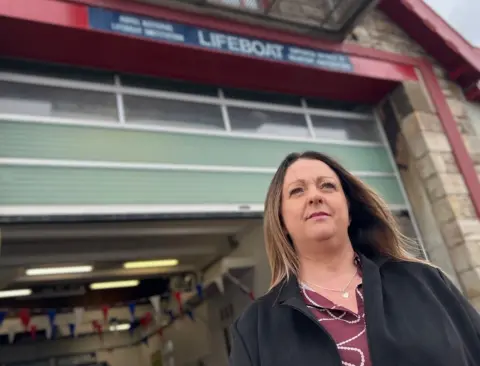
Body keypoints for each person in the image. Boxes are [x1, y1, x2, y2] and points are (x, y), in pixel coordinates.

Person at [229, 151, 480, 366]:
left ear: (349, 211)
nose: (315, 196)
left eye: (327, 185)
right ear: (281, 222)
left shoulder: (425, 281)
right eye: (297, 191)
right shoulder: (255, 328)